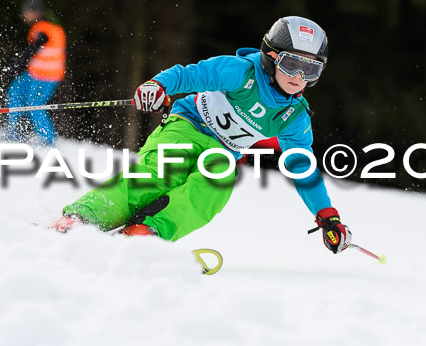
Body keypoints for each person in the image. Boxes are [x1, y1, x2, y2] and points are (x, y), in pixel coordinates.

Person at [51, 16, 352, 254]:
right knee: (160, 172)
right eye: (291, 64)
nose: (299, 78)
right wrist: (158, 85)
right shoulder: (240, 72)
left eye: (310, 70)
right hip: (188, 125)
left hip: (222, 153)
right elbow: (188, 74)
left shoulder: (293, 117)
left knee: (215, 186)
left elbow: (302, 166)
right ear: (270, 57)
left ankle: (148, 232)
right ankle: (85, 217)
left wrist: (327, 215)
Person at [5, 0, 66, 146]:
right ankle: (14, 132)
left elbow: (35, 46)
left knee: (35, 104)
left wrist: (16, 66)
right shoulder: (43, 26)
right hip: (34, 73)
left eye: (26, 11)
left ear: (35, 12)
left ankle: (48, 141)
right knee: (15, 92)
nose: (23, 15)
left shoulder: (44, 28)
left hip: (47, 76)